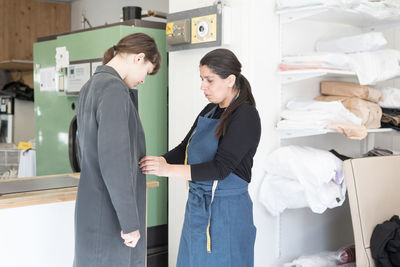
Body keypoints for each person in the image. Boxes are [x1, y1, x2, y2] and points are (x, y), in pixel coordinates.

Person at [139, 48, 261, 266]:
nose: (202, 86)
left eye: (209, 80)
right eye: (202, 79)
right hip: (197, 210)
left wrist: (166, 170)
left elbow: (220, 169)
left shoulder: (246, 116)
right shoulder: (209, 111)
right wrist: (155, 162)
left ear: (230, 80)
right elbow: (183, 150)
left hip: (227, 213)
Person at [74, 33, 161, 267]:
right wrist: (130, 223)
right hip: (111, 216)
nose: (143, 80)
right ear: (138, 58)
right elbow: (116, 163)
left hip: (92, 208)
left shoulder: (90, 87)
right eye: (147, 72)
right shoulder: (114, 91)